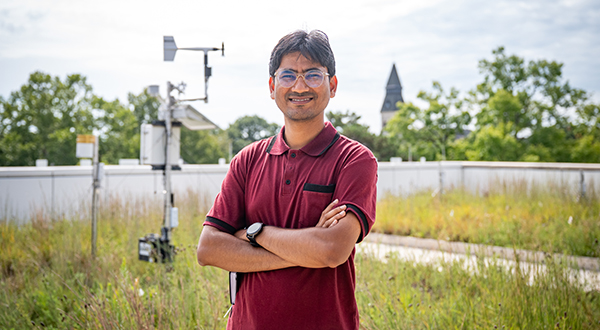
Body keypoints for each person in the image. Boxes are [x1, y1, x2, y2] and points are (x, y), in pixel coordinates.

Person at [196, 29, 378, 330]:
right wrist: (309, 248)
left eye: (313, 75)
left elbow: (332, 250)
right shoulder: (247, 160)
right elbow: (209, 249)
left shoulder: (355, 160)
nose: (300, 85)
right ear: (272, 86)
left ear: (332, 85)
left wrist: (253, 232)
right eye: (288, 75)